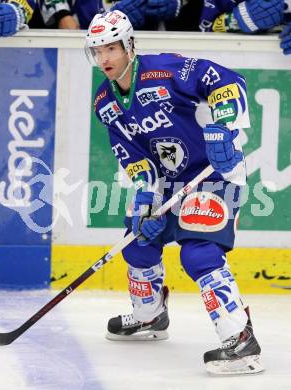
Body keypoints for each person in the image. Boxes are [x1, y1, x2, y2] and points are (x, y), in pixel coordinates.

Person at [86, 9, 264, 375]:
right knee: (137, 241)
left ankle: (241, 340)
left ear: (129, 44)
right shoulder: (104, 101)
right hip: (168, 183)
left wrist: (225, 128)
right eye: (97, 51)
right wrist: (146, 198)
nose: (104, 58)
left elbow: (225, 81)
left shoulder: (166, 70)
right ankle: (149, 317)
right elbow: (133, 158)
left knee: (198, 254)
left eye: (111, 49)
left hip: (214, 172)